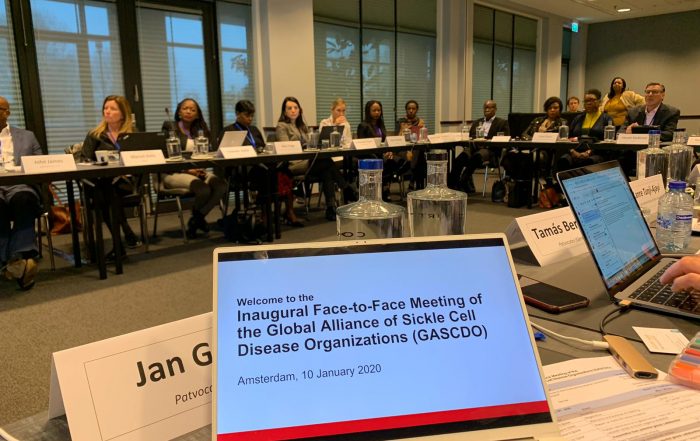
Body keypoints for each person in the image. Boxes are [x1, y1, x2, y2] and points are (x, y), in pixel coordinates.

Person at [81, 95, 143, 257]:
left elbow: (140, 159)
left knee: (106, 195)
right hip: (100, 181)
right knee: (106, 193)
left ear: (123, 113)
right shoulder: (95, 134)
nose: (107, 111)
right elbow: (84, 160)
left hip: (124, 181)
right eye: (105, 108)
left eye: (112, 108)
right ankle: (123, 237)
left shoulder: (133, 134)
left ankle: (120, 245)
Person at [276, 96, 352, 222]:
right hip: (293, 164)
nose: (293, 110)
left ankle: (331, 208)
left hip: (308, 161)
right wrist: (305, 146)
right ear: (284, 111)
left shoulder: (301, 126)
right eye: (289, 108)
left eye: (295, 107)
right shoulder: (282, 126)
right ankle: (346, 187)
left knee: (327, 169)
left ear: (300, 110)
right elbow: (285, 148)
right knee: (326, 162)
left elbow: (311, 144)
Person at [160, 98, 227, 239]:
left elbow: (209, 152)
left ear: (197, 114)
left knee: (221, 186)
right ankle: (198, 220)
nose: (188, 111)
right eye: (185, 108)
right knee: (203, 189)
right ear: (179, 112)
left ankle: (196, 219)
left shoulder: (201, 130)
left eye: (193, 109)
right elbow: (166, 153)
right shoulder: (170, 127)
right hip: (174, 172)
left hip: (197, 171)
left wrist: (199, 169)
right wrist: (189, 170)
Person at [0, 96, 42, 290]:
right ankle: (21, 261)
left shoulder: (27, 136)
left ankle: (15, 257)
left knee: (24, 199)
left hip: (20, 184)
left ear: (7, 112)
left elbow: (40, 164)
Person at [449, 100, 510, 193]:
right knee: (459, 159)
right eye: (485, 107)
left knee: (476, 157)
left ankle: (463, 181)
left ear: (495, 109)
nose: (486, 110)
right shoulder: (477, 122)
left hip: (490, 150)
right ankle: (452, 185)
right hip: (474, 148)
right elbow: (470, 137)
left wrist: (487, 140)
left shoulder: (502, 123)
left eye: (489, 107)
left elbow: (504, 139)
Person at [557, 89, 611, 171]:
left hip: (596, 152)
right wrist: (573, 151)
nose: (588, 103)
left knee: (588, 162)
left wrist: (589, 152)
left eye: (591, 100)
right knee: (563, 160)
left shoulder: (606, 118)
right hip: (575, 151)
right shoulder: (578, 118)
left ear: (599, 102)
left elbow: (608, 141)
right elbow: (568, 138)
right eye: (586, 101)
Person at [357, 100, 397, 200]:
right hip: (368, 155)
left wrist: (388, 151)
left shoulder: (380, 124)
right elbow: (362, 146)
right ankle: (381, 190)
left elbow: (384, 141)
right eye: (374, 110)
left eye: (379, 110)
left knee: (394, 161)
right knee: (382, 161)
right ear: (368, 111)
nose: (377, 113)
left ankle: (385, 187)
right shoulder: (363, 125)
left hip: (381, 153)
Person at [396, 100, 427, 189]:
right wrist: (402, 130)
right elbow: (396, 139)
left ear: (417, 110)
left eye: (413, 109)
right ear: (406, 109)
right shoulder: (401, 121)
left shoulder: (420, 121)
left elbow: (423, 138)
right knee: (419, 154)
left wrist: (422, 128)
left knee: (419, 152)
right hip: (403, 149)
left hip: (416, 148)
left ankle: (414, 180)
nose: (411, 110)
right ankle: (416, 182)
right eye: (409, 108)